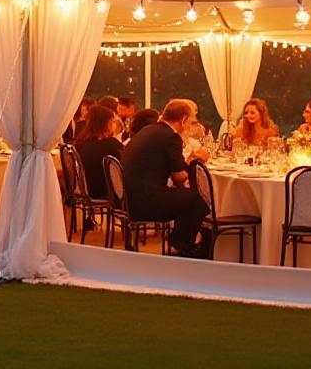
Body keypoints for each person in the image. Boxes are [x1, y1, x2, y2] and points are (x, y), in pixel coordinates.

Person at [121, 98, 212, 258]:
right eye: (190, 121)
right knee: (199, 198)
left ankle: (181, 242)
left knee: (187, 197)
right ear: (183, 119)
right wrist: (196, 161)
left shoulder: (148, 130)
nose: (190, 125)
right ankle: (182, 246)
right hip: (146, 202)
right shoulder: (170, 137)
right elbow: (179, 178)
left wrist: (189, 160)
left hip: (128, 198)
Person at [75, 104, 124, 202]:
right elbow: (126, 164)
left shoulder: (80, 144)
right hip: (108, 193)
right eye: (113, 121)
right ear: (107, 123)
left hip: (87, 192)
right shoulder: (111, 145)